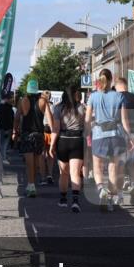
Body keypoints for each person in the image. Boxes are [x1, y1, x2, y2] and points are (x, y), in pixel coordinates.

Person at [86, 69, 133, 211]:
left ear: (99, 80)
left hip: (99, 134)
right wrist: (130, 137)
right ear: (111, 80)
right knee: (113, 168)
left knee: (97, 167)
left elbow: (87, 119)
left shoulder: (93, 97)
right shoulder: (119, 97)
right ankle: (111, 201)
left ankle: (101, 190)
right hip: (116, 135)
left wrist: (87, 133)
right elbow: (124, 120)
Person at [47, 83, 86, 212]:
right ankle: (75, 201)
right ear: (76, 95)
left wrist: (52, 145)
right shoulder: (82, 108)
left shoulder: (58, 108)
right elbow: (87, 128)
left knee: (63, 173)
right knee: (75, 173)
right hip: (77, 141)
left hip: (63, 141)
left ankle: (63, 200)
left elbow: (56, 129)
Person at [13, 85, 46, 197]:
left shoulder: (23, 101)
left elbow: (17, 118)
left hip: (26, 134)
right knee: (36, 163)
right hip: (39, 135)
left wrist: (15, 131)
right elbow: (48, 118)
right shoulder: (42, 101)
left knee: (29, 163)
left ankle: (31, 185)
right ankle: (32, 185)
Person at [115, 77, 134, 205]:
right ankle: (133, 188)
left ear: (117, 86)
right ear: (126, 85)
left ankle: (120, 196)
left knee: (119, 166)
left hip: (119, 134)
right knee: (133, 165)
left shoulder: (114, 98)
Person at [0, 94, 16, 160]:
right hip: (6, 128)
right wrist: (8, 129)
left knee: (2, 143)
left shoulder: (0, 107)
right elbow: (9, 119)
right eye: (11, 98)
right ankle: (3, 157)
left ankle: (2, 157)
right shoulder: (8, 108)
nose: (12, 100)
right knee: (4, 144)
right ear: (7, 99)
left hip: (1, 127)